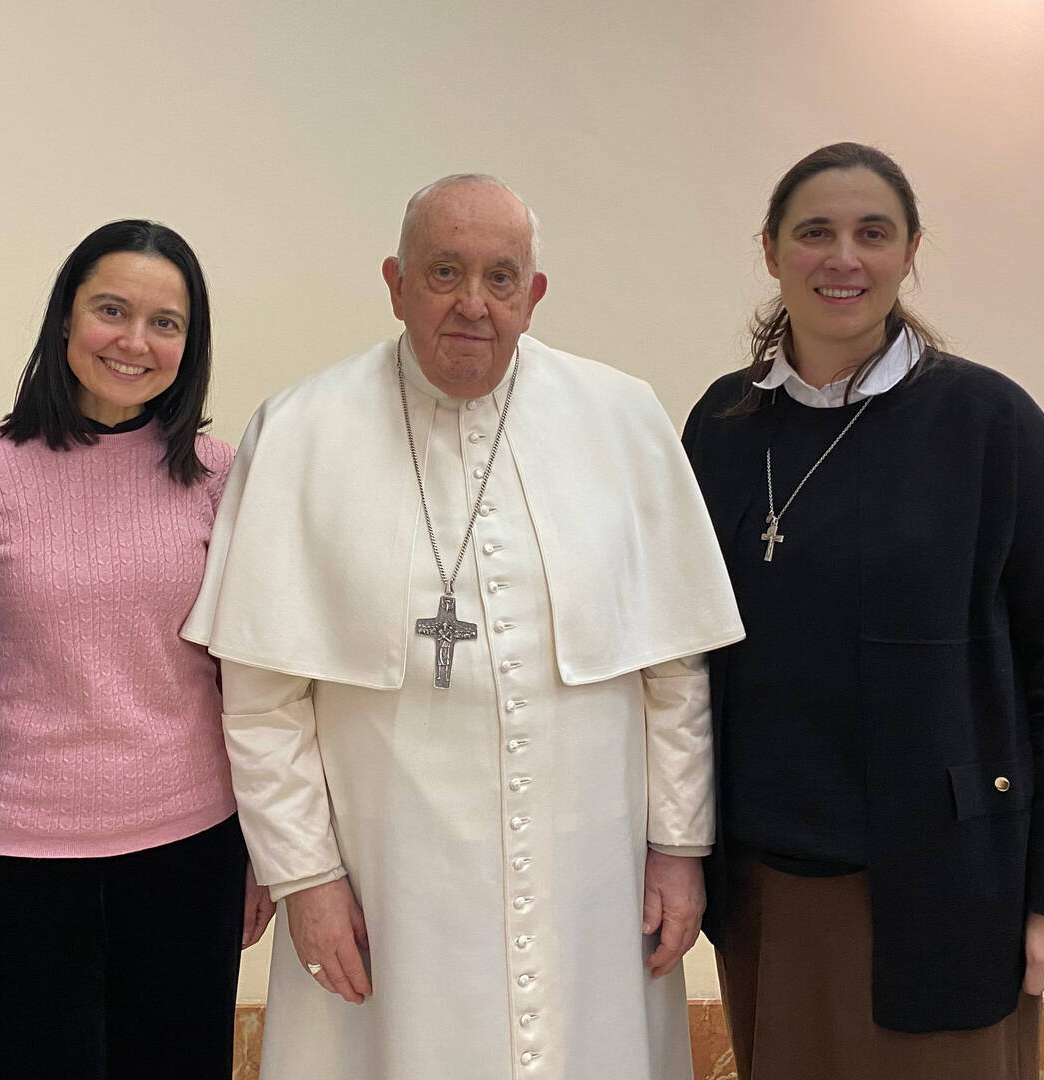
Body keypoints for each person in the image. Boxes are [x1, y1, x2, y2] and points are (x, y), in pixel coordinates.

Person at [181, 174, 744, 1079]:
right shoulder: (300, 428)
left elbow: (673, 670)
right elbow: (261, 696)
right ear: (396, 283)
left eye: (500, 277)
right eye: (444, 272)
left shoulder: (623, 418)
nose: (472, 304)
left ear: (536, 295)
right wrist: (306, 877)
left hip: (588, 875)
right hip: (387, 873)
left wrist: (679, 850)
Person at [681, 142, 1044, 1080]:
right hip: (764, 885)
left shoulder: (990, 425)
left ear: (910, 252)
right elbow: (685, 651)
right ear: (770, 251)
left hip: (945, 881)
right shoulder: (719, 425)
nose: (844, 258)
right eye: (815, 233)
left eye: (873, 234)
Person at [0, 219, 275, 1080]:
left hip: (192, 847)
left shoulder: (220, 474)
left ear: (190, 346)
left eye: (166, 322)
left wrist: (270, 848)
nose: (134, 341)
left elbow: (249, 684)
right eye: (111, 310)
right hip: (18, 858)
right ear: (65, 319)